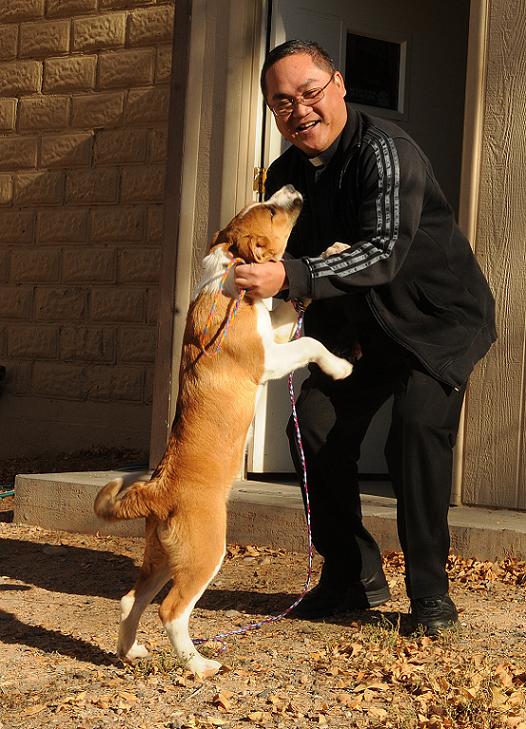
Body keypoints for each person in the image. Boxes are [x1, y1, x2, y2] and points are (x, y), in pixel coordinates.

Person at [234, 40, 496, 634]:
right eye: (282, 103)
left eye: (309, 93)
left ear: (339, 85)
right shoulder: (286, 175)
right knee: (312, 427)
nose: (299, 111)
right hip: (361, 331)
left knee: (415, 433)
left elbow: (381, 254)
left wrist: (292, 275)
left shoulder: (387, 152)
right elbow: (288, 258)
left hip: (436, 323)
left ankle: (430, 596)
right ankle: (350, 576)